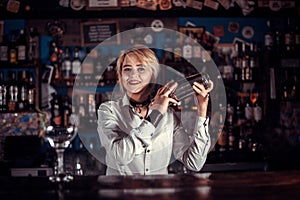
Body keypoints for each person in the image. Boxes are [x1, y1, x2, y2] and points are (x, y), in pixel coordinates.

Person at [97, 44, 213, 175]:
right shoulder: (108, 110)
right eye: (127, 69)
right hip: (122, 193)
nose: (133, 74)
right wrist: (156, 113)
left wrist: (202, 110)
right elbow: (120, 156)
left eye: (141, 69)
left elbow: (194, 163)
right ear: (120, 77)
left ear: (153, 75)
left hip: (159, 194)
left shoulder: (168, 115)